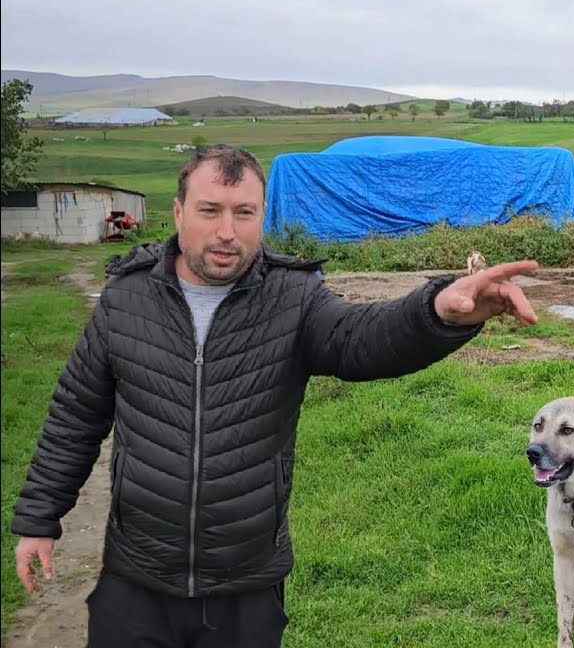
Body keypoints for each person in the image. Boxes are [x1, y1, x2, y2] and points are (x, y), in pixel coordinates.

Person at [10, 144, 539, 647]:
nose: (226, 232)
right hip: (137, 577)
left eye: (244, 213)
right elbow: (75, 415)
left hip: (246, 581)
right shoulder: (126, 298)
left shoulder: (293, 297)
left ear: (262, 216)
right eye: (209, 210)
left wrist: (436, 311)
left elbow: (361, 339)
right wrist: (39, 517)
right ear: (177, 213)